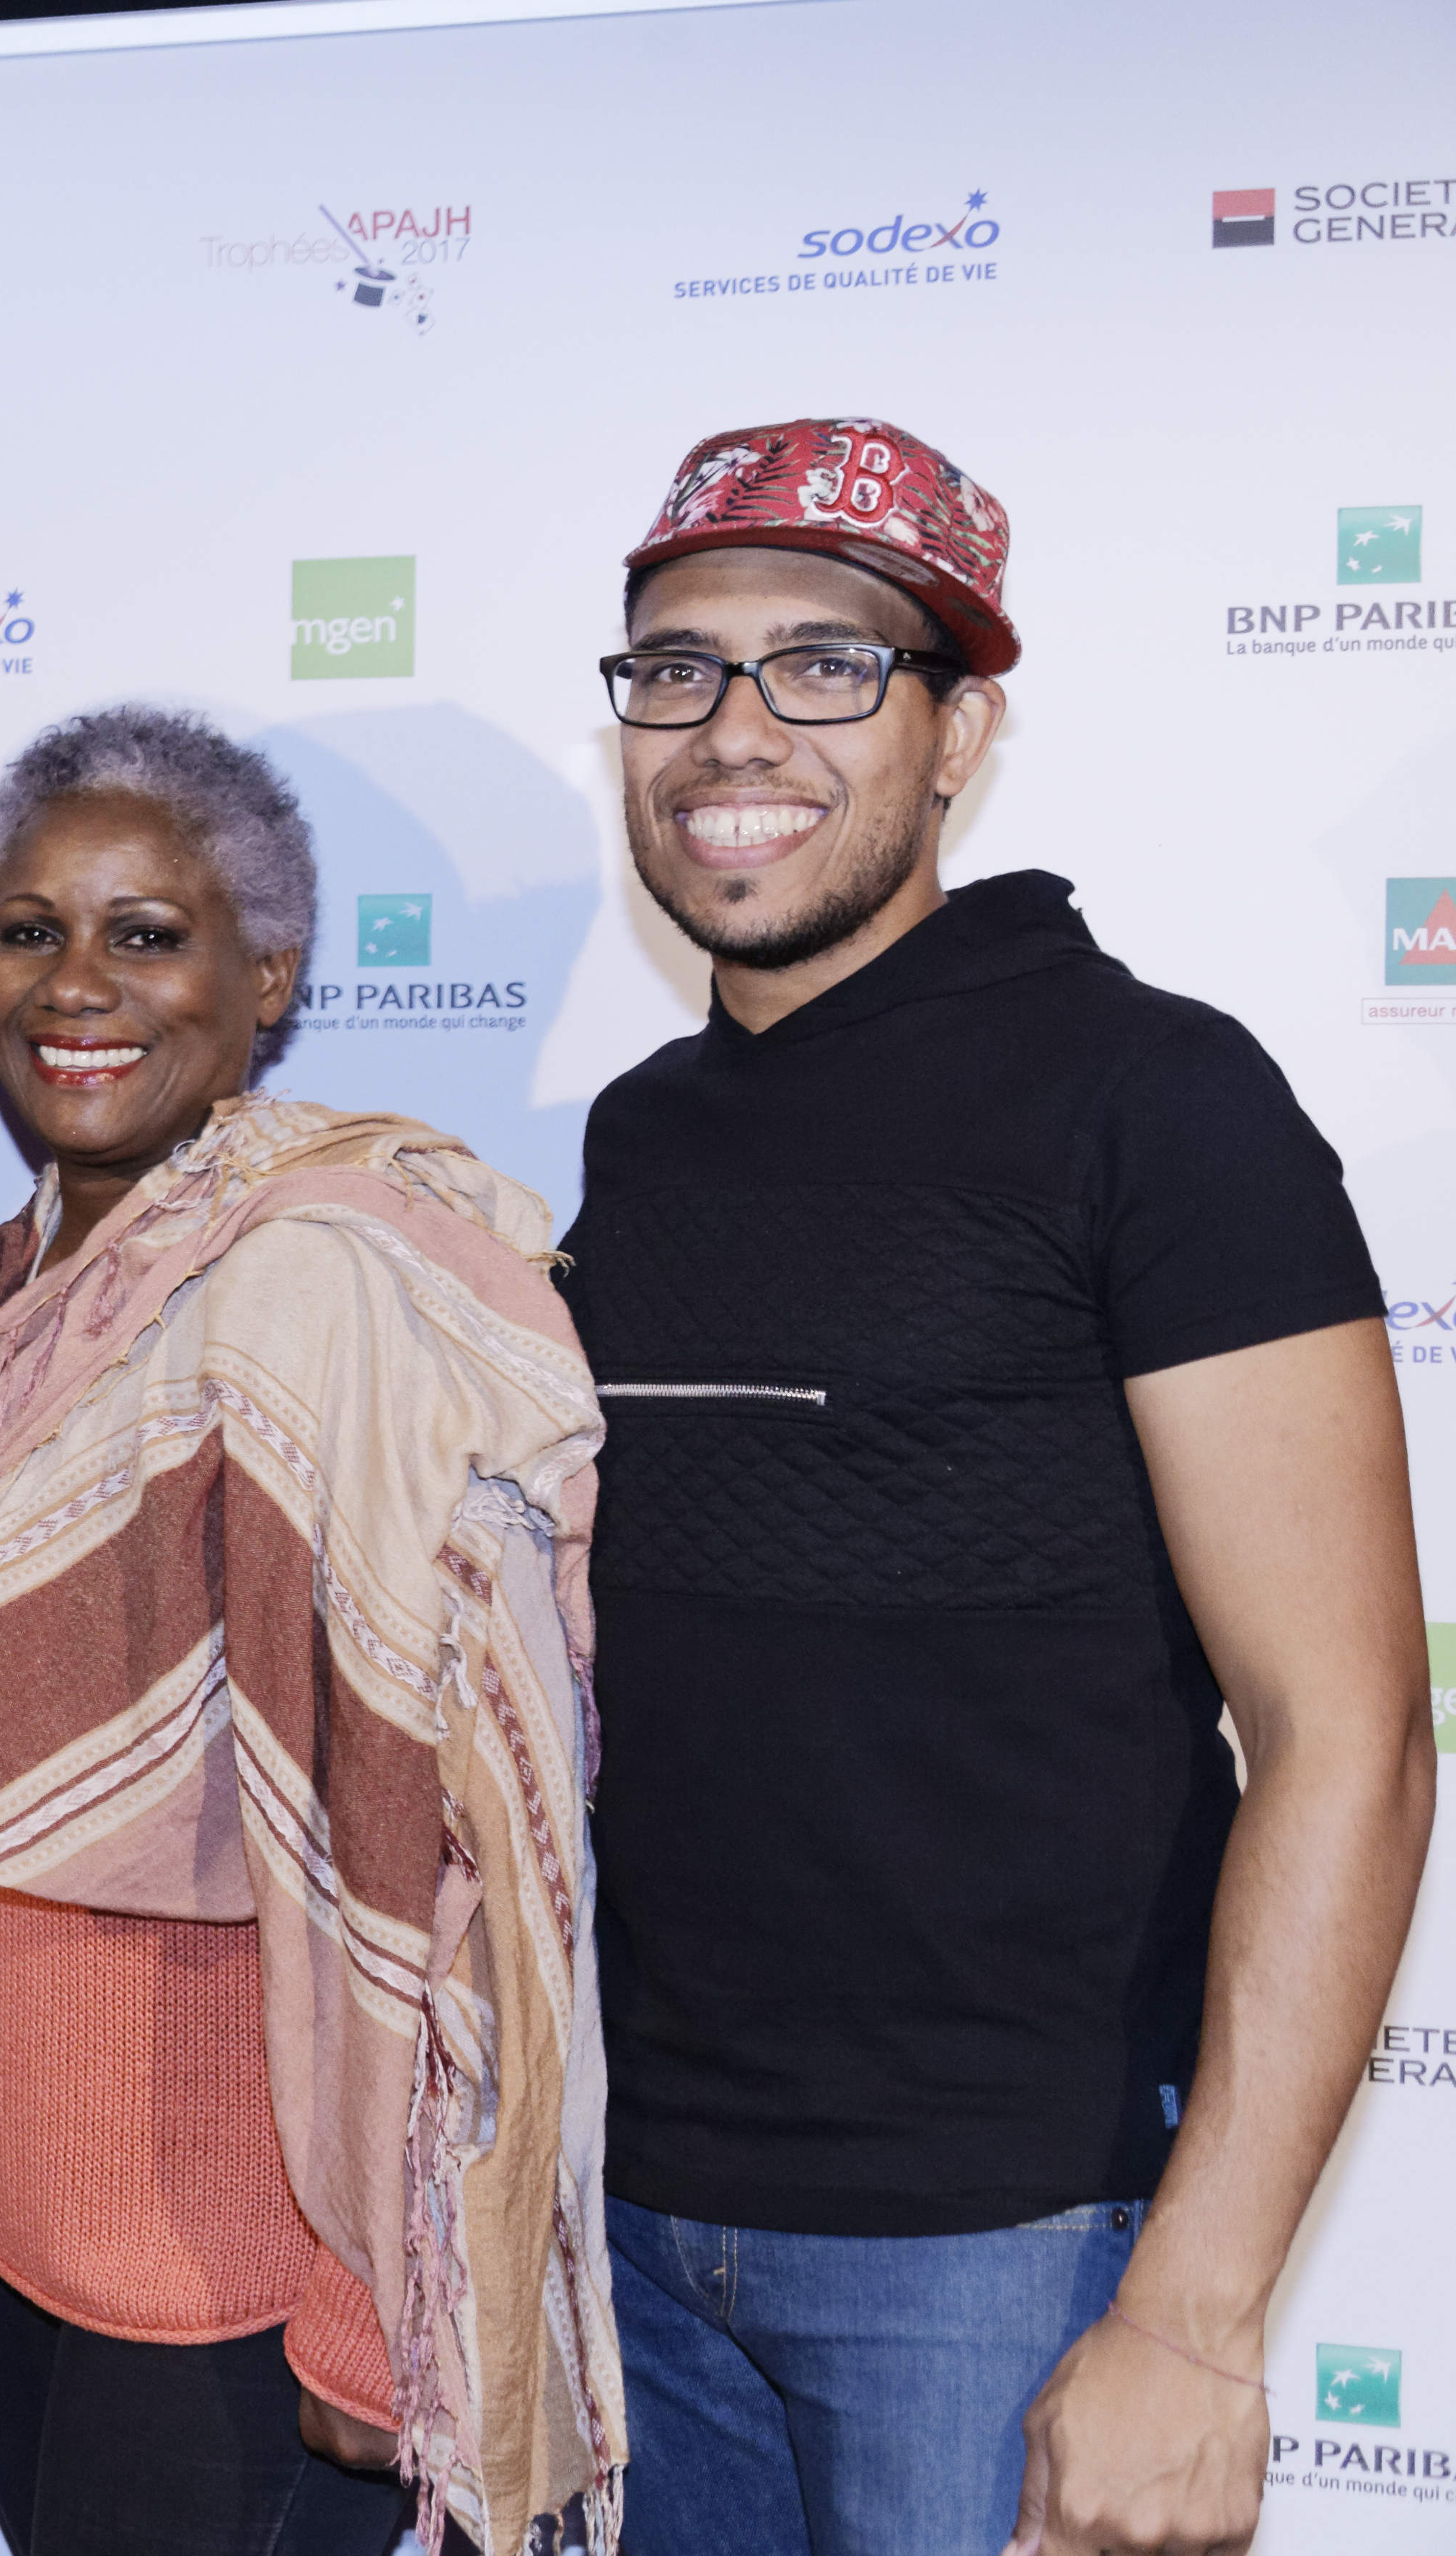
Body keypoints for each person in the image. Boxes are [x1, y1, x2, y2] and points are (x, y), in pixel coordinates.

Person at [562, 418, 1431, 2556]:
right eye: (676, 668)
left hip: (1009, 2247)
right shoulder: (642, 1134)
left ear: (957, 734)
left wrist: (1197, 2323)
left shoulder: (1156, 1097)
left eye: (825, 664)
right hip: (631, 2221)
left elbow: (1350, 1730)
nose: (734, 728)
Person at [0, 705, 627, 2556]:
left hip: (242, 2272)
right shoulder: (6, 1294)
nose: (75, 985)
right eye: (29, 931)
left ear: (268, 976)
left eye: (146, 933)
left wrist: (367, 2307)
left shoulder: (319, 1280)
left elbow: (413, 1814)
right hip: (14, 2212)